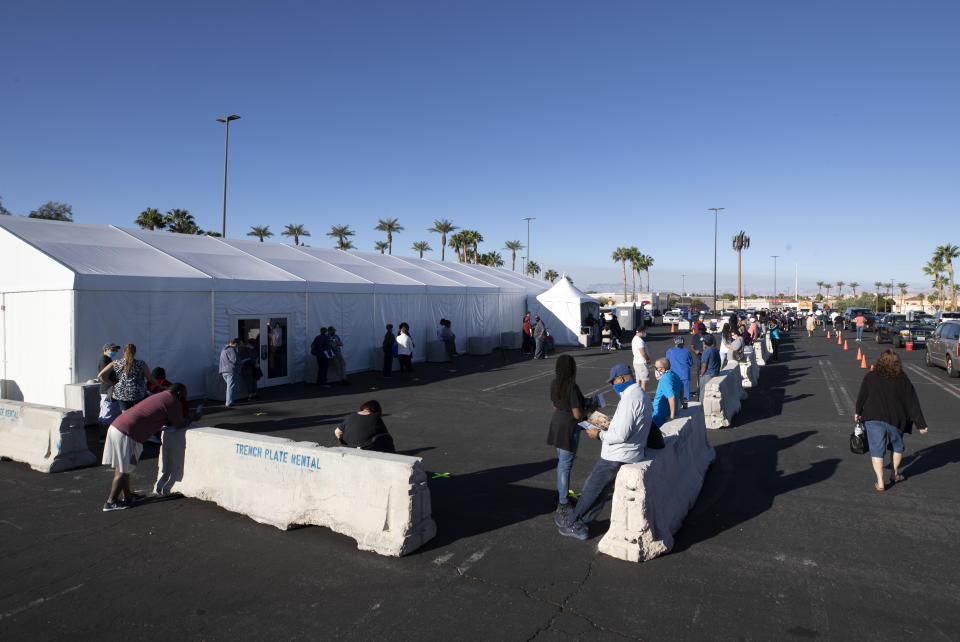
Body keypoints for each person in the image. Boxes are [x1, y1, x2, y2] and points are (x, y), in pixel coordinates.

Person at [555, 363, 652, 540]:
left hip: (617, 454)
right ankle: (582, 521)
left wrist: (599, 434)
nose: (613, 386)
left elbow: (621, 434)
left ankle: (572, 521)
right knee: (601, 491)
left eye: (613, 382)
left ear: (621, 379)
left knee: (592, 488)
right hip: (630, 452)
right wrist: (608, 424)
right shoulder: (640, 394)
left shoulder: (630, 399)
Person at [101, 383, 199, 511]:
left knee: (124, 468)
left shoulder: (162, 396)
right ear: (180, 394)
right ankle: (111, 502)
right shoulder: (172, 401)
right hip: (127, 433)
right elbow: (179, 423)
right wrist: (192, 417)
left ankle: (128, 496)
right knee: (123, 470)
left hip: (117, 427)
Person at [854, 350, 929, 491]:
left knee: (877, 448)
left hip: (873, 417)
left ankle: (880, 481)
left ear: (880, 361)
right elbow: (912, 402)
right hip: (896, 418)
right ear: (897, 363)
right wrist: (921, 424)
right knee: (897, 446)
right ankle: (894, 473)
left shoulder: (871, 376)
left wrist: (858, 411)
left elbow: (862, 395)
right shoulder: (903, 379)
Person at [546, 355, 591, 515]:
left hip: (557, 423)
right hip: (568, 427)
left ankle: (563, 497)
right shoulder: (572, 386)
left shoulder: (554, 383)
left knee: (561, 464)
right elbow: (577, 414)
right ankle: (563, 502)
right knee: (565, 465)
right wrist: (589, 410)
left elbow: (555, 405)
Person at [98, 344, 160, 412]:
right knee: (141, 413)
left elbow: (101, 375)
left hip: (122, 394)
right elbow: (150, 378)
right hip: (138, 393)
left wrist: (112, 383)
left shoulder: (116, 363)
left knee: (125, 415)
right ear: (135, 352)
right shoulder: (141, 363)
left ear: (123, 351)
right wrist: (160, 385)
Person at [97, 343, 121, 440]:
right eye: (113, 349)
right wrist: (112, 383)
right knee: (106, 414)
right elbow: (102, 376)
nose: (114, 352)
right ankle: (103, 436)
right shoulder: (104, 360)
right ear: (106, 349)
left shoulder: (108, 359)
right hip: (107, 391)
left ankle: (106, 436)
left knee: (109, 412)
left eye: (115, 350)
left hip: (109, 390)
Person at [651, 357, 683, 431]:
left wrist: (671, 417)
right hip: (665, 412)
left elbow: (671, 397)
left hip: (661, 414)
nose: (655, 370)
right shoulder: (674, 374)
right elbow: (682, 386)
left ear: (662, 369)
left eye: (656, 368)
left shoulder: (665, 378)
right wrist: (682, 402)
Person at [665, 336, 694, 406]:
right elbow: (691, 363)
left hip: (674, 375)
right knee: (685, 393)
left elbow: (666, 362)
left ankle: (673, 408)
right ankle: (686, 406)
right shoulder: (687, 351)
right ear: (683, 343)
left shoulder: (670, 351)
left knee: (674, 392)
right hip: (684, 374)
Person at [219, 338, 241, 407]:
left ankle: (229, 400)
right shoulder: (232, 349)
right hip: (231, 370)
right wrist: (241, 362)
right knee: (231, 387)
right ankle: (229, 402)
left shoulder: (224, 349)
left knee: (229, 387)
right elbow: (234, 360)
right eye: (238, 345)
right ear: (236, 344)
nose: (237, 347)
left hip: (223, 370)